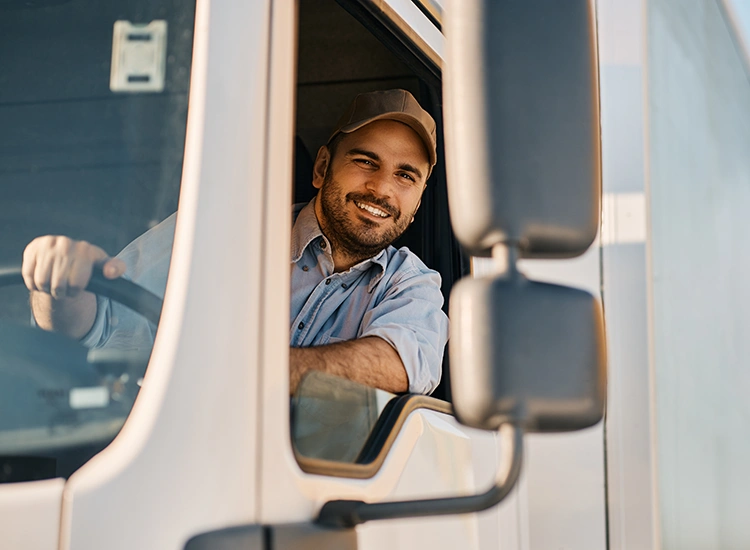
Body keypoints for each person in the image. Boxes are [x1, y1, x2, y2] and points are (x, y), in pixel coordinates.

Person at [22, 89, 449, 395]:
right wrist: (57, 285)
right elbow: (99, 323)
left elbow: (401, 364)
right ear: (322, 168)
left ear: (416, 204)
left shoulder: (411, 284)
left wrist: (236, 374)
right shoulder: (220, 228)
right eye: (364, 161)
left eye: (405, 175)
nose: (381, 189)